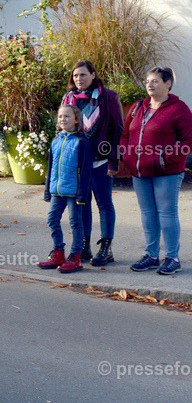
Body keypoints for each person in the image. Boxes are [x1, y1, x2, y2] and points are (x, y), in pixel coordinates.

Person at [119, 67, 192, 275]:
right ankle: (151, 255)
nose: (149, 84)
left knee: (167, 214)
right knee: (147, 214)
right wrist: (126, 155)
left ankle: (172, 258)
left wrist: (164, 159)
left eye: (155, 81)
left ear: (168, 84)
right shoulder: (137, 107)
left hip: (166, 172)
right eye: (148, 81)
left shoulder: (179, 109)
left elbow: (188, 140)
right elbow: (125, 135)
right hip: (139, 171)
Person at [60, 61, 123, 265]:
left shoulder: (108, 97)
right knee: (82, 203)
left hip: (100, 160)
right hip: (77, 162)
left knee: (104, 203)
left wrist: (113, 161)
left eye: (83, 75)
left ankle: (106, 247)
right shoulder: (68, 98)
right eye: (75, 75)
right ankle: (84, 245)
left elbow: (117, 130)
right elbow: (61, 129)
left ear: (93, 75)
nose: (79, 79)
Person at [37, 105, 93, 273]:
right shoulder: (56, 141)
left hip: (74, 192)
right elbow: (51, 167)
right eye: (60, 116)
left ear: (76, 119)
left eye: (67, 116)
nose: (63, 119)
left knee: (76, 223)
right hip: (57, 190)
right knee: (52, 220)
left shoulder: (81, 142)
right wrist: (47, 190)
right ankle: (58, 253)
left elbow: (86, 171)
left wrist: (82, 194)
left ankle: (75, 257)